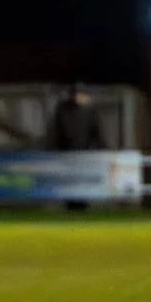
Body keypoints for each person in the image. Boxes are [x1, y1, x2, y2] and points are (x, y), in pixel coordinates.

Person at [49, 83, 105, 212]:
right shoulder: (64, 109)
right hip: (68, 155)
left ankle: (80, 206)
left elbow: (95, 132)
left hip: (82, 154)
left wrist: (100, 148)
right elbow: (57, 132)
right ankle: (72, 205)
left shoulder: (89, 111)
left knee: (80, 184)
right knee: (70, 184)